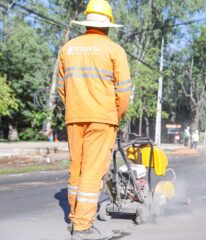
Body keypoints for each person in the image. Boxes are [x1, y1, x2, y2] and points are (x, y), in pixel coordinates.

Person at [57, 0, 131, 239]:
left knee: (77, 169)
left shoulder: (68, 48)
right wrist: (115, 115)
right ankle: (82, 227)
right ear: (108, 25)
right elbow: (123, 92)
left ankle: (74, 216)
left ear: (86, 22)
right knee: (92, 171)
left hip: (74, 116)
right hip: (102, 118)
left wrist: (75, 106)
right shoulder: (114, 50)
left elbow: (61, 88)